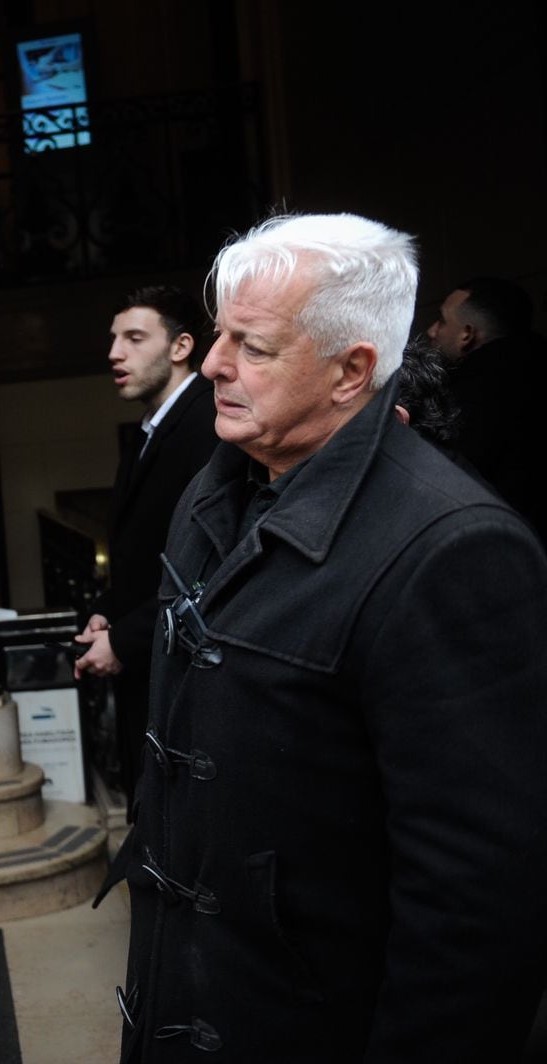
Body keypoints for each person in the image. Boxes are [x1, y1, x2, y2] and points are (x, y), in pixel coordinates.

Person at [99, 213, 547, 1061]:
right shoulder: (218, 484)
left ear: (352, 372)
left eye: (254, 346)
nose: (219, 365)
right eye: (221, 334)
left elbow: (475, 912)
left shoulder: (455, 549)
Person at [74, 285, 218, 813]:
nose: (115, 353)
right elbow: (146, 554)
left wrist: (126, 641)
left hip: (184, 674)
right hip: (150, 656)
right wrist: (106, 614)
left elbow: (208, 564)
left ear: (180, 348)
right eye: (114, 339)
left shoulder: (207, 424)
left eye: (134, 338)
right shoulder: (149, 431)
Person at [423, 275, 545, 538]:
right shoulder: (531, 369)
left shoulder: (472, 392)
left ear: (467, 334)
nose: (433, 330)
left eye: (442, 321)